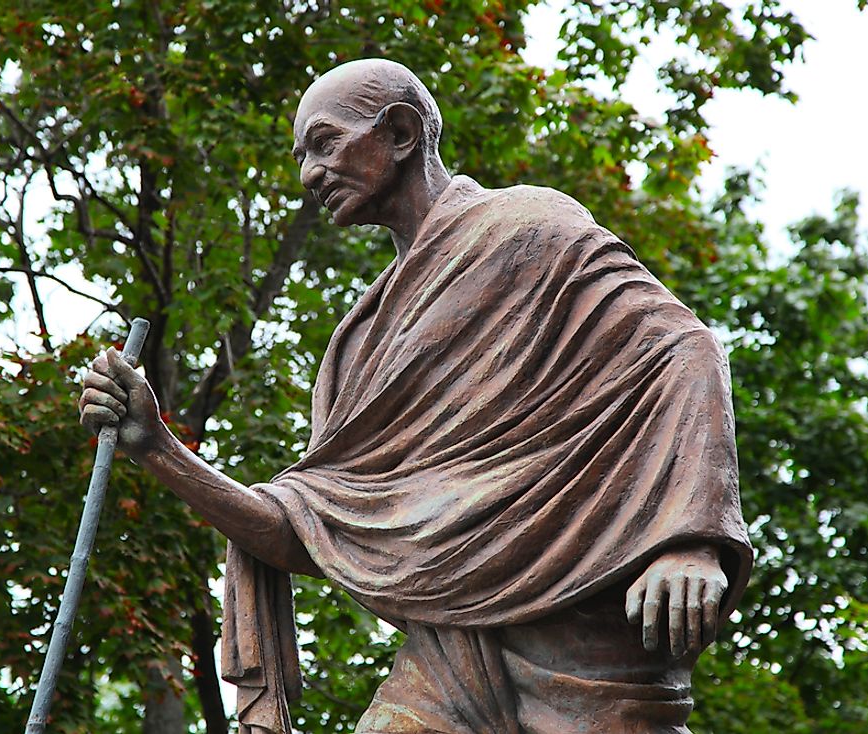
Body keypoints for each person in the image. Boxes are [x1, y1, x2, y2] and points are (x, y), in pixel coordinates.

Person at [79, 59, 752, 734]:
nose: (308, 175)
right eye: (300, 156)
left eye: (323, 143)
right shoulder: (357, 349)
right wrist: (157, 447)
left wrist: (689, 542)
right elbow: (307, 533)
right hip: (448, 657)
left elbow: (684, 349)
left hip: (585, 633)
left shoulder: (530, 229)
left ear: (400, 132)